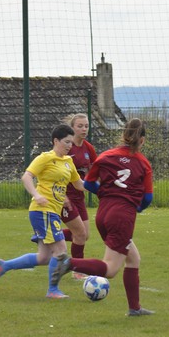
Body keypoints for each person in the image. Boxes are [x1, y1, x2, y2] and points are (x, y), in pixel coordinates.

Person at [50, 118, 155, 316]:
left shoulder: (106, 156)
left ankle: (134, 308)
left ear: (123, 135)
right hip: (122, 217)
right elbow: (148, 198)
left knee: (133, 258)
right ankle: (69, 263)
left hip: (103, 213)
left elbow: (89, 183)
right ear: (142, 140)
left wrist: (107, 193)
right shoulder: (143, 163)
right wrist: (136, 207)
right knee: (111, 269)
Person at [0, 124, 86, 298]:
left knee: (44, 257)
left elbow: (79, 184)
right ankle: (53, 290)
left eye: (71, 143)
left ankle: (4, 266)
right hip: (42, 210)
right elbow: (26, 176)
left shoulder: (68, 161)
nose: (69, 146)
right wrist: (36, 194)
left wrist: (102, 188)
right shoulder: (45, 158)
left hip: (52, 212)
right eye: (66, 142)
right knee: (60, 250)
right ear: (55, 141)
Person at [60, 114, 96, 279]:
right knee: (80, 234)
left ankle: (50, 235)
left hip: (79, 197)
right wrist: (62, 195)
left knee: (84, 235)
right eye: (80, 126)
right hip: (65, 198)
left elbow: (95, 170)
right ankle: (77, 270)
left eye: (86, 126)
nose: (84, 129)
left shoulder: (88, 148)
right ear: (72, 128)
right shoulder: (67, 148)